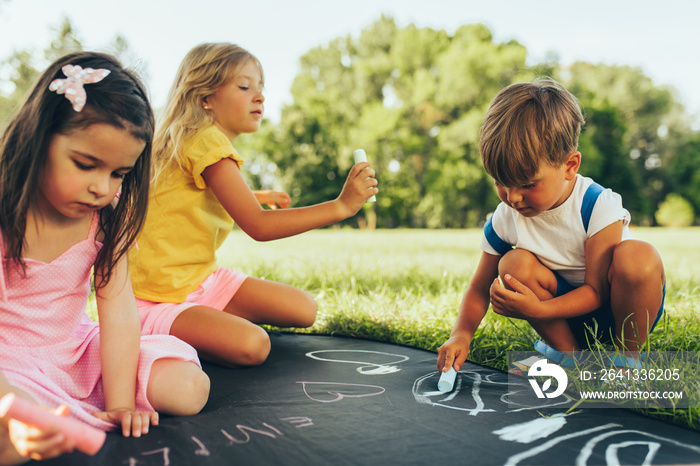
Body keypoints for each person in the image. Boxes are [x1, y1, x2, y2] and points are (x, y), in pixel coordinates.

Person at [0, 52, 210, 464]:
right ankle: (19, 428)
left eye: (118, 174)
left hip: (74, 351)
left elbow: (117, 312)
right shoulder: (8, 213)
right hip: (8, 359)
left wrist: (119, 403)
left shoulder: (104, 222)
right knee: (21, 421)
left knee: (188, 387)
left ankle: (37, 423)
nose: (102, 187)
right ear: (39, 138)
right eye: (85, 164)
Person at [128, 42, 378, 368]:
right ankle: (163, 333)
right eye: (244, 87)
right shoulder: (205, 140)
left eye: (260, 88)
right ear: (205, 98)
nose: (259, 96)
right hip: (156, 299)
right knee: (253, 345)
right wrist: (341, 206)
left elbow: (185, 197)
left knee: (304, 309)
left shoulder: (195, 139)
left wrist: (254, 196)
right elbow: (258, 226)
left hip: (199, 280)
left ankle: (205, 322)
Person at [437, 77, 665, 374]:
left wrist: (538, 310)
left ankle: (626, 362)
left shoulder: (597, 205)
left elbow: (596, 292)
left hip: (618, 312)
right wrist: (461, 333)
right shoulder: (506, 215)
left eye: (527, 183)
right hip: (564, 322)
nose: (513, 197)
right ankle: (570, 357)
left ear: (570, 166)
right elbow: (480, 286)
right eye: (500, 182)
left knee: (638, 257)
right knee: (513, 264)